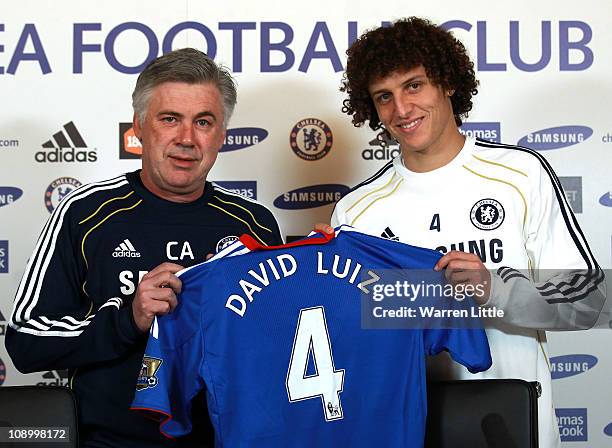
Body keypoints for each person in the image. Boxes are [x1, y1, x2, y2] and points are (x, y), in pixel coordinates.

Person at [329, 17, 605, 447]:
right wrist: (323, 278)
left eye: (414, 85)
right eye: (385, 96)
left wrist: (495, 290)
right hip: (406, 426)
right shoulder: (356, 210)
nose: (401, 110)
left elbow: (588, 300)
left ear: (448, 83)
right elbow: (348, 337)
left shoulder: (519, 174)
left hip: (510, 422)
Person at [6, 48, 283, 447]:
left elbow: (281, 344)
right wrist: (128, 319)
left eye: (203, 122)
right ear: (138, 127)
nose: (187, 139)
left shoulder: (253, 224)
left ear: (222, 135)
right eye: (170, 119)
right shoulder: (85, 214)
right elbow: (25, 341)